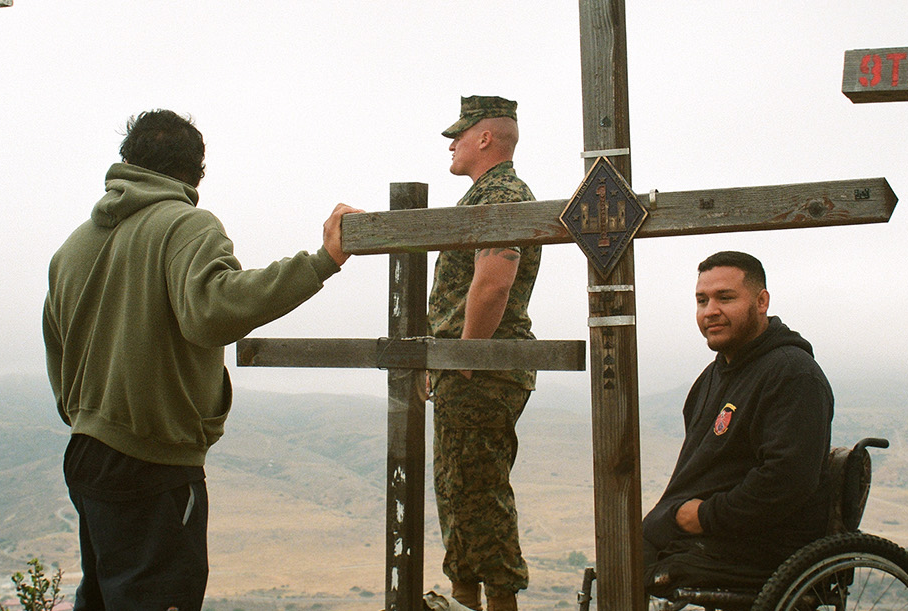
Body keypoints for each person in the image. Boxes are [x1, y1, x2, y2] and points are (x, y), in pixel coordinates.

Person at [43, 109, 360, 611]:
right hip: (153, 461)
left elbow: (58, 352)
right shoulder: (186, 224)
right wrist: (322, 261)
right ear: (197, 173)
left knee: (102, 600)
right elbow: (212, 311)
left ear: (127, 161)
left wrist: (90, 416)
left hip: (86, 454)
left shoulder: (72, 248)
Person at [642, 251, 835, 593]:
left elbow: (786, 480)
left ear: (761, 301)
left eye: (725, 298)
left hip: (763, 547)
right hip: (718, 536)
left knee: (628, 564)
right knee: (617, 548)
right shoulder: (715, 375)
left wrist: (705, 517)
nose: (710, 310)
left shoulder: (792, 373)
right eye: (702, 300)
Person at [427, 95, 541, 611]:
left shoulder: (504, 193)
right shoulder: (482, 196)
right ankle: (464, 599)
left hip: (481, 368)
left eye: (460, 133)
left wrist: (466, 356)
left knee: (478, 496)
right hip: (467, 365)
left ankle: (496, 602)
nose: (451, 143)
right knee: (458, 492)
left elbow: (493, 284)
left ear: (485, 137)